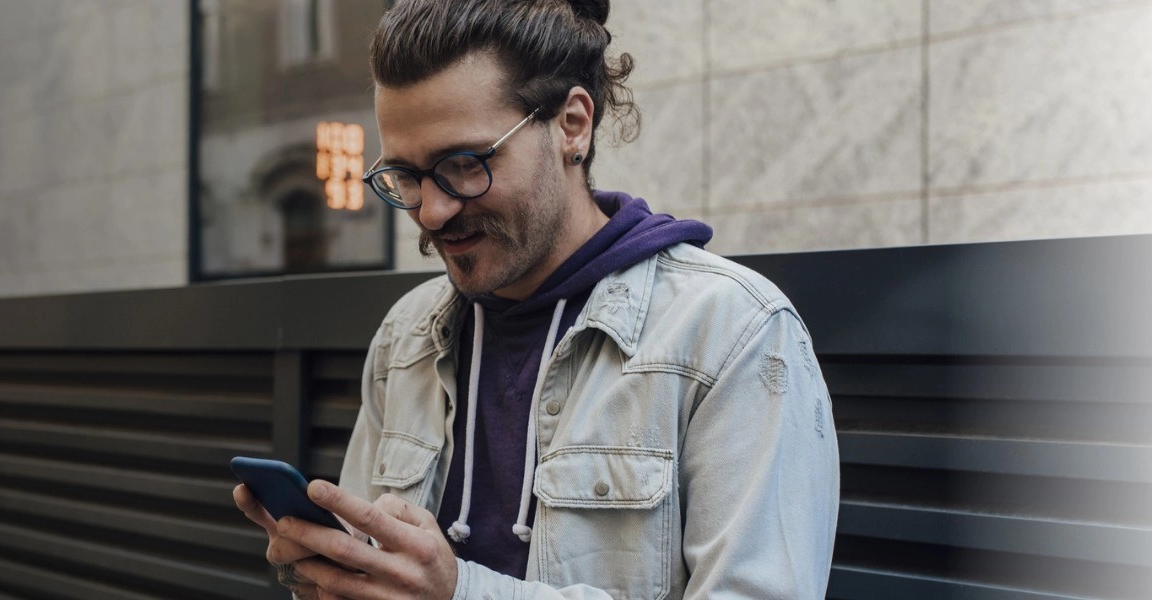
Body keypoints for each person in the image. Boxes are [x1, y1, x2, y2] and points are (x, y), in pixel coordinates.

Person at [232, 0, 839, 597]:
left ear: (573, 125)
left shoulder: (734, 332)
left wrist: (458, 592)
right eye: (407, 177)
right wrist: (336, 578)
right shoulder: (407, 334)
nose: (433, 211)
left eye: (464, 164)